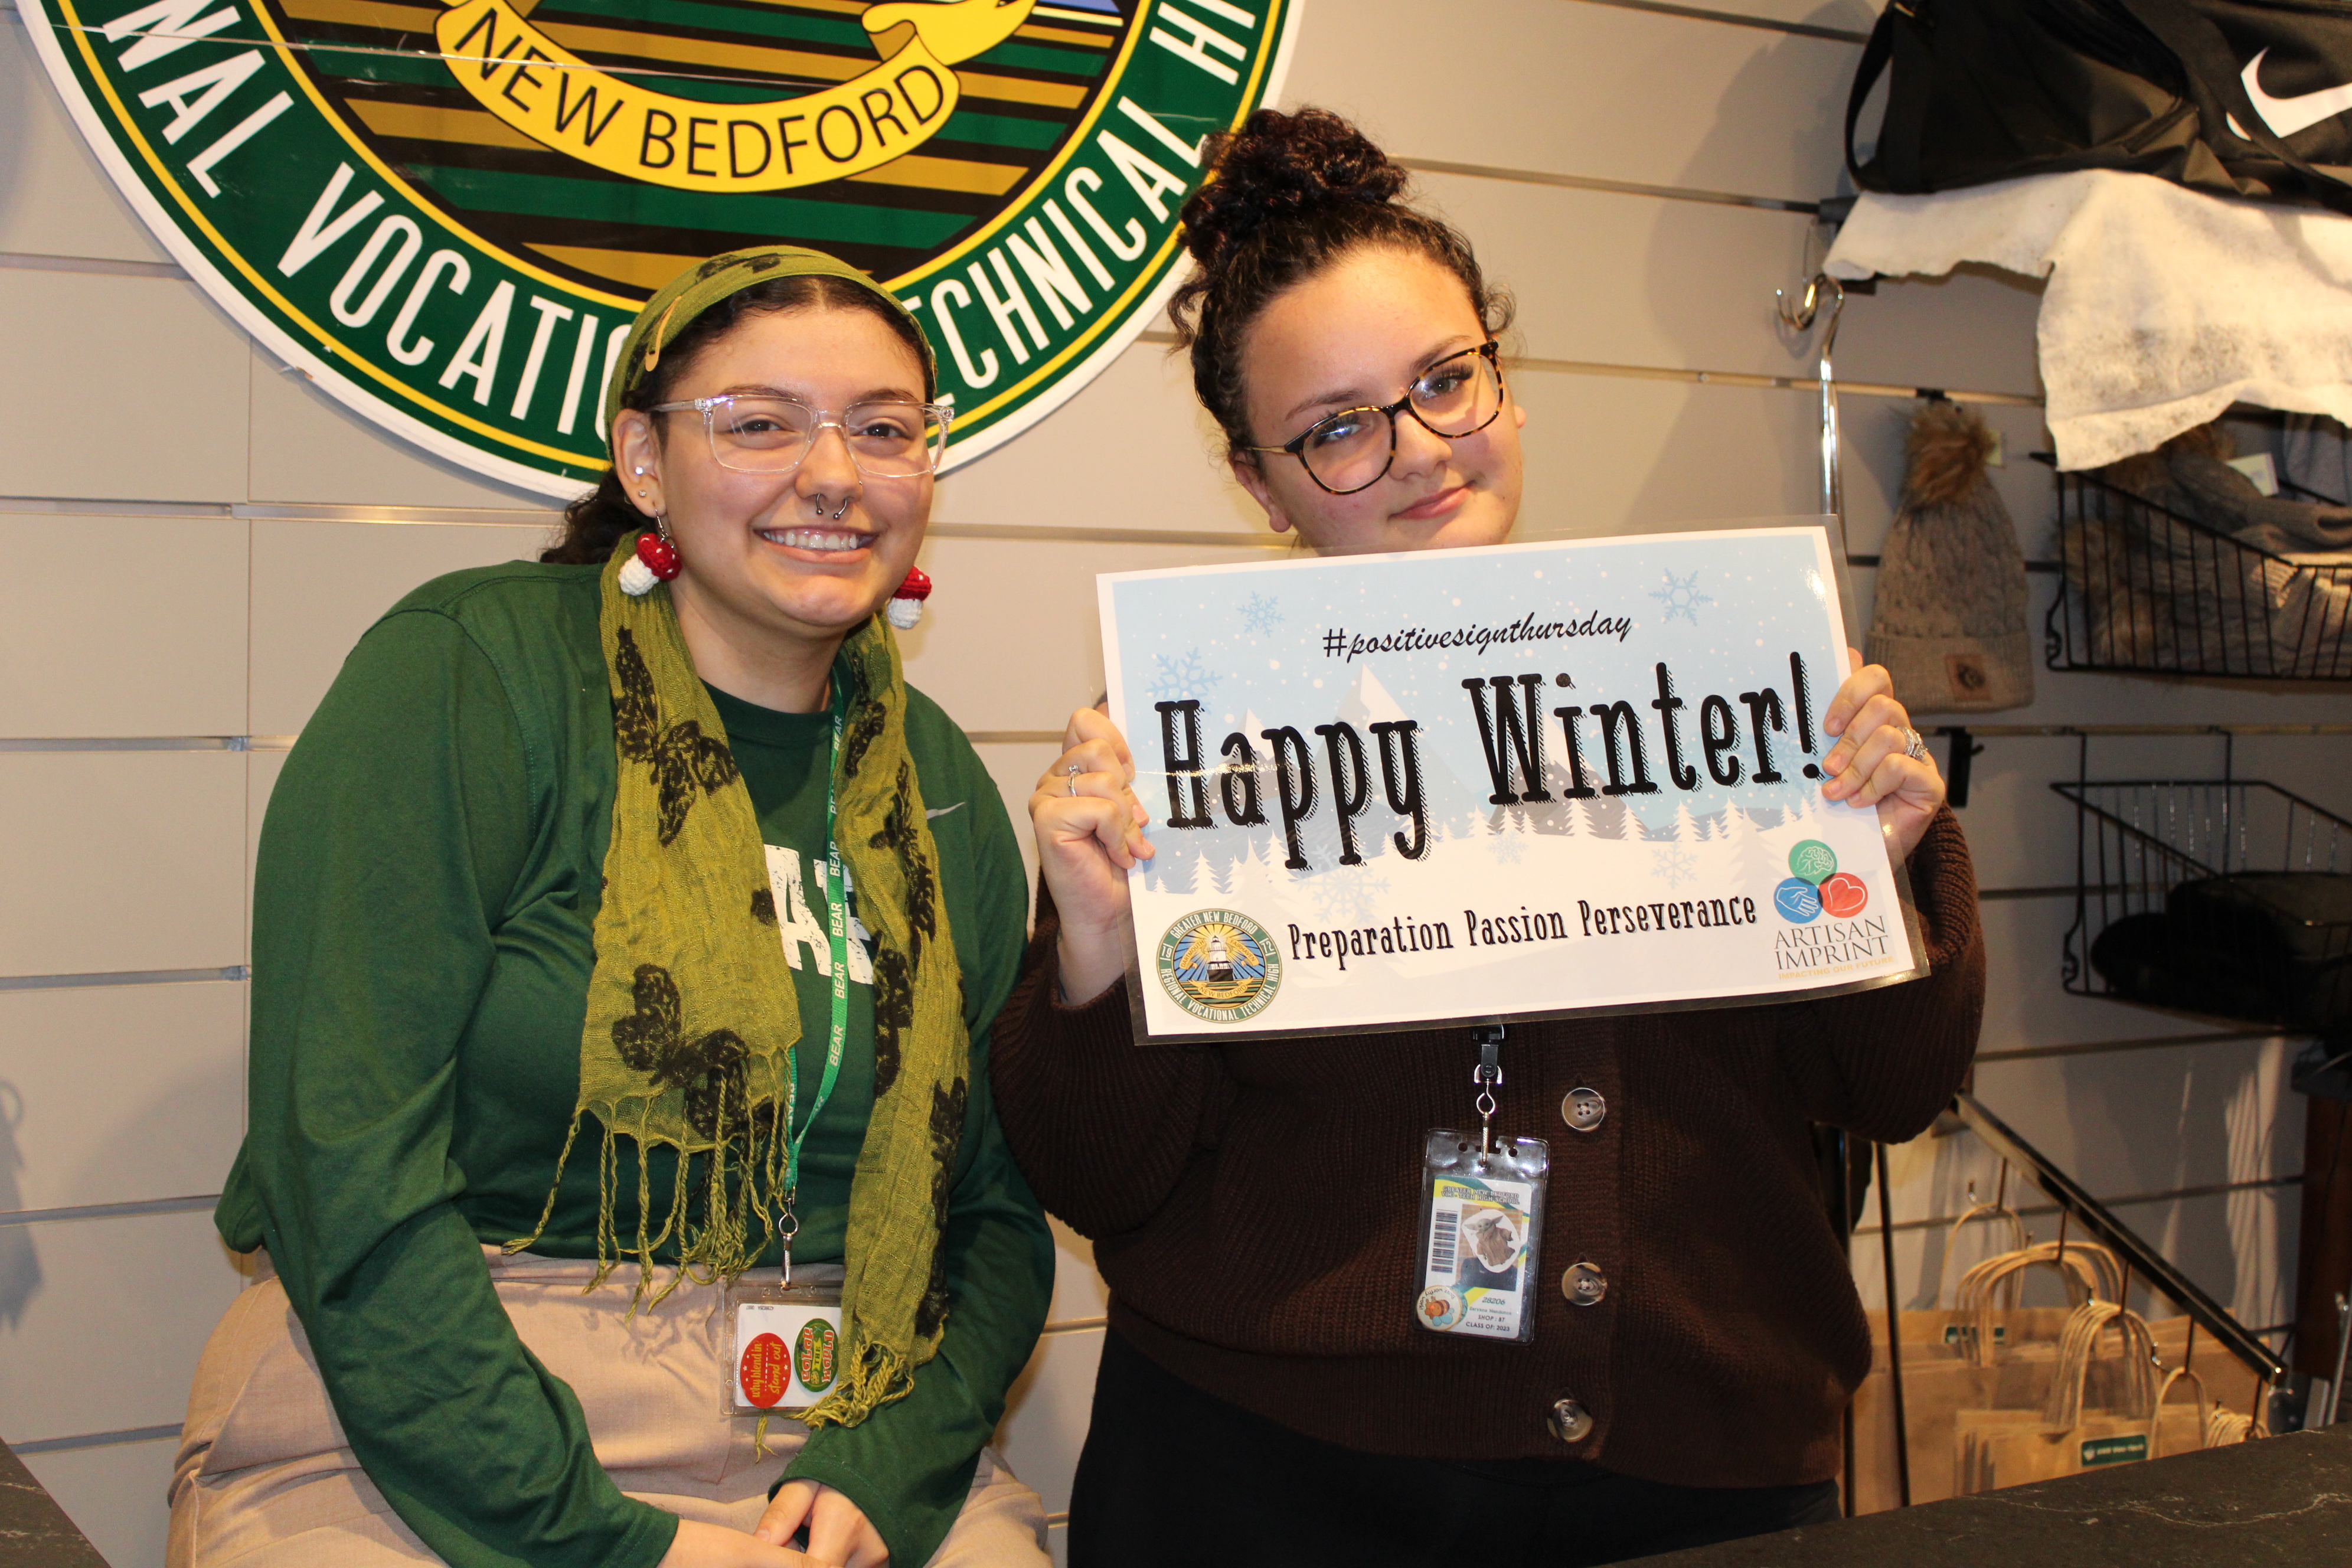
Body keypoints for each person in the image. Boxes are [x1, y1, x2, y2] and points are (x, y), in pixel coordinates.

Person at [990, 110, 1987, 1566]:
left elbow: (1894, 1088)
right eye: (1337, 428)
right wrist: (1094, 948)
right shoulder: (1180, 742)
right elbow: (1097, 1175)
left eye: (1446, 381)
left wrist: (1891, 862)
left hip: (1702, 1467)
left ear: (1505, 385)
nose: (1417, 451)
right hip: (1266, 1482)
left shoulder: (1738, 676)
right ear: (1260, 482)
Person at [169, 247, 1053, 1568]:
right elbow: (338, 1157)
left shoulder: (939, 784)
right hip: (440, 1416)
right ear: (645, 460)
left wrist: (888, 1466)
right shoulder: (472, 674)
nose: (834, 474)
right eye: (760, 423)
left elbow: (990, 1213)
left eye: (884, 429)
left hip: (842, 1426)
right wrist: (607, 1542)